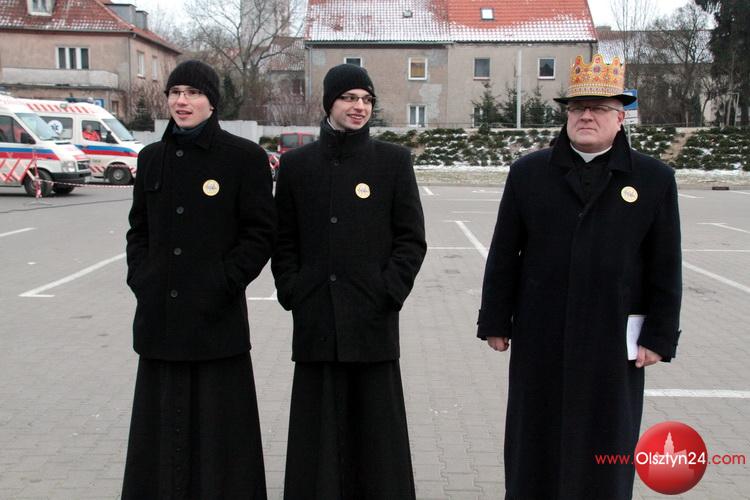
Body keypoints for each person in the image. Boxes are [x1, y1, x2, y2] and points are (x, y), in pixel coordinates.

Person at [477, 54, 682, 499]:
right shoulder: (529, 173)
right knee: (535, 437)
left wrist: (659, 336)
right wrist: (495, 320)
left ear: (620, 117)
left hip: (613, 336)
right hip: (541, 332)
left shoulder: (653, 179)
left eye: (600, 108)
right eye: (577, 108)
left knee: (607, 439)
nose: (586, 116)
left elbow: (665, 264)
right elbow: (505, 253)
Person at [272, 63, 426, 499]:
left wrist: (388, 291)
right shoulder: (297, 165)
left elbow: (411, 239)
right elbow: (283, 238)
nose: (359, 107)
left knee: (376, 431)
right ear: (329, 103)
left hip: (372, 318)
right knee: (318, 430)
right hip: (316, 316)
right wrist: (293, 290)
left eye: (366, 100)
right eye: (349, 98)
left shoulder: (392, 162)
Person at [122, 60, 275, 499]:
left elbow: (260, 233)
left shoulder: (243, 158)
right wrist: (142, 278)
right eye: (175, 93)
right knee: (161, 426)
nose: (182, 101)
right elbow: (138, 230)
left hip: (215, 320)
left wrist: (224, 282)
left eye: (193, 93)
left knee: (218, 429)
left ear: (212, 101)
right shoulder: (152, 158)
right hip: (161, 318)